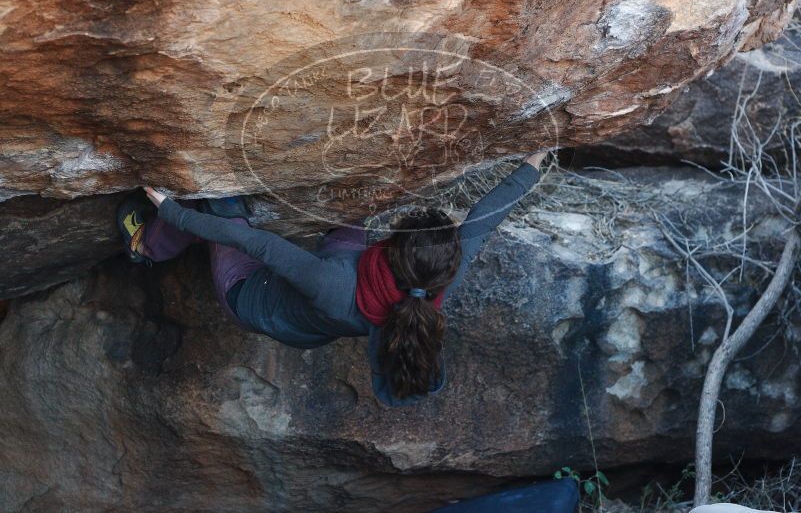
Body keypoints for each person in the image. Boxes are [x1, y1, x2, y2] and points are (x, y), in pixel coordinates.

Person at [117, 151, 546, 406]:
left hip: (252, 296)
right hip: (320, 311)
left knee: (224, 205)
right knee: (353, 198)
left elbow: (255, 245)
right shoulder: (436, 279)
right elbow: (483, 220)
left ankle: (148, 244)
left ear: (393, 248)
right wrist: (536, 160)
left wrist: (171, 208)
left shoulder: (332, 282)